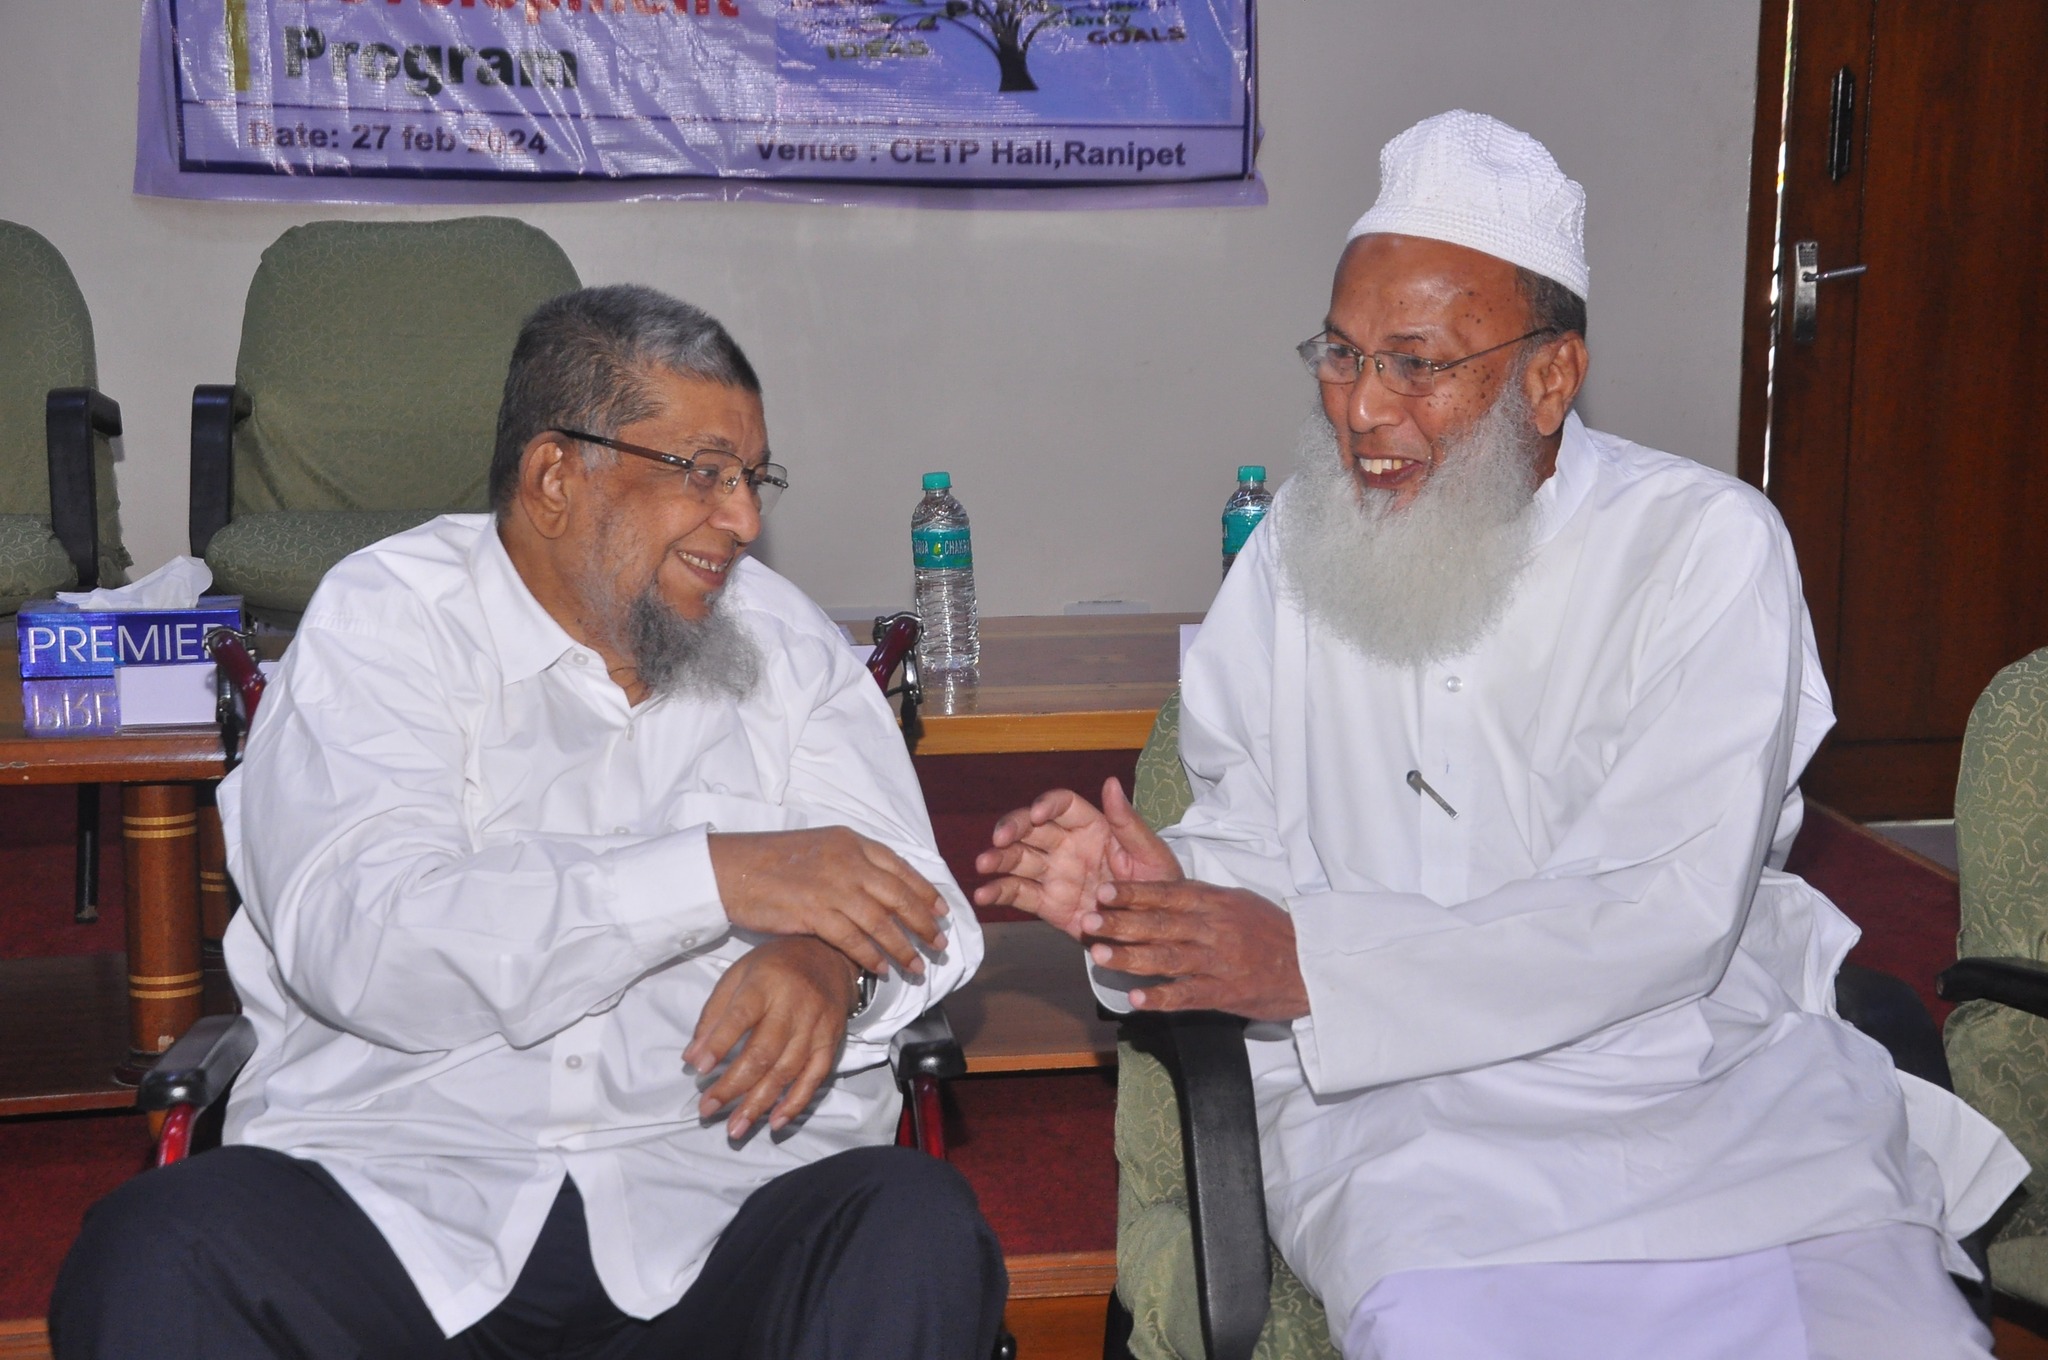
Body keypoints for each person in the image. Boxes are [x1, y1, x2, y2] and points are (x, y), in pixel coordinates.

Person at [975, 111, 2024, 1360]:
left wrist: (1316, 964)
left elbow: (1664, 912)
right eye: (1339, 353)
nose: (1361, 407)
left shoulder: (1703, 546)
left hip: (1701, 1094)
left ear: (1548, 378)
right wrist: (1149, 896)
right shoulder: (1296, 550)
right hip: (1399, 1115)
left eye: (1414, 364)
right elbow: (1250, 846)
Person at [52, 285, 1005, 1360]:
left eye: (752, 478)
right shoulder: (385, 624)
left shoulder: (785, 648)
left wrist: (836, 962)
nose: (744, 520)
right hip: (401, 1199)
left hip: (718, 1203)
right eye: (705, 472)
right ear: (556, 477)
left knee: (915, 1229)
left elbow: (928, 907)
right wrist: (712, 876)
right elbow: (359, 939)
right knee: (154, 1253)